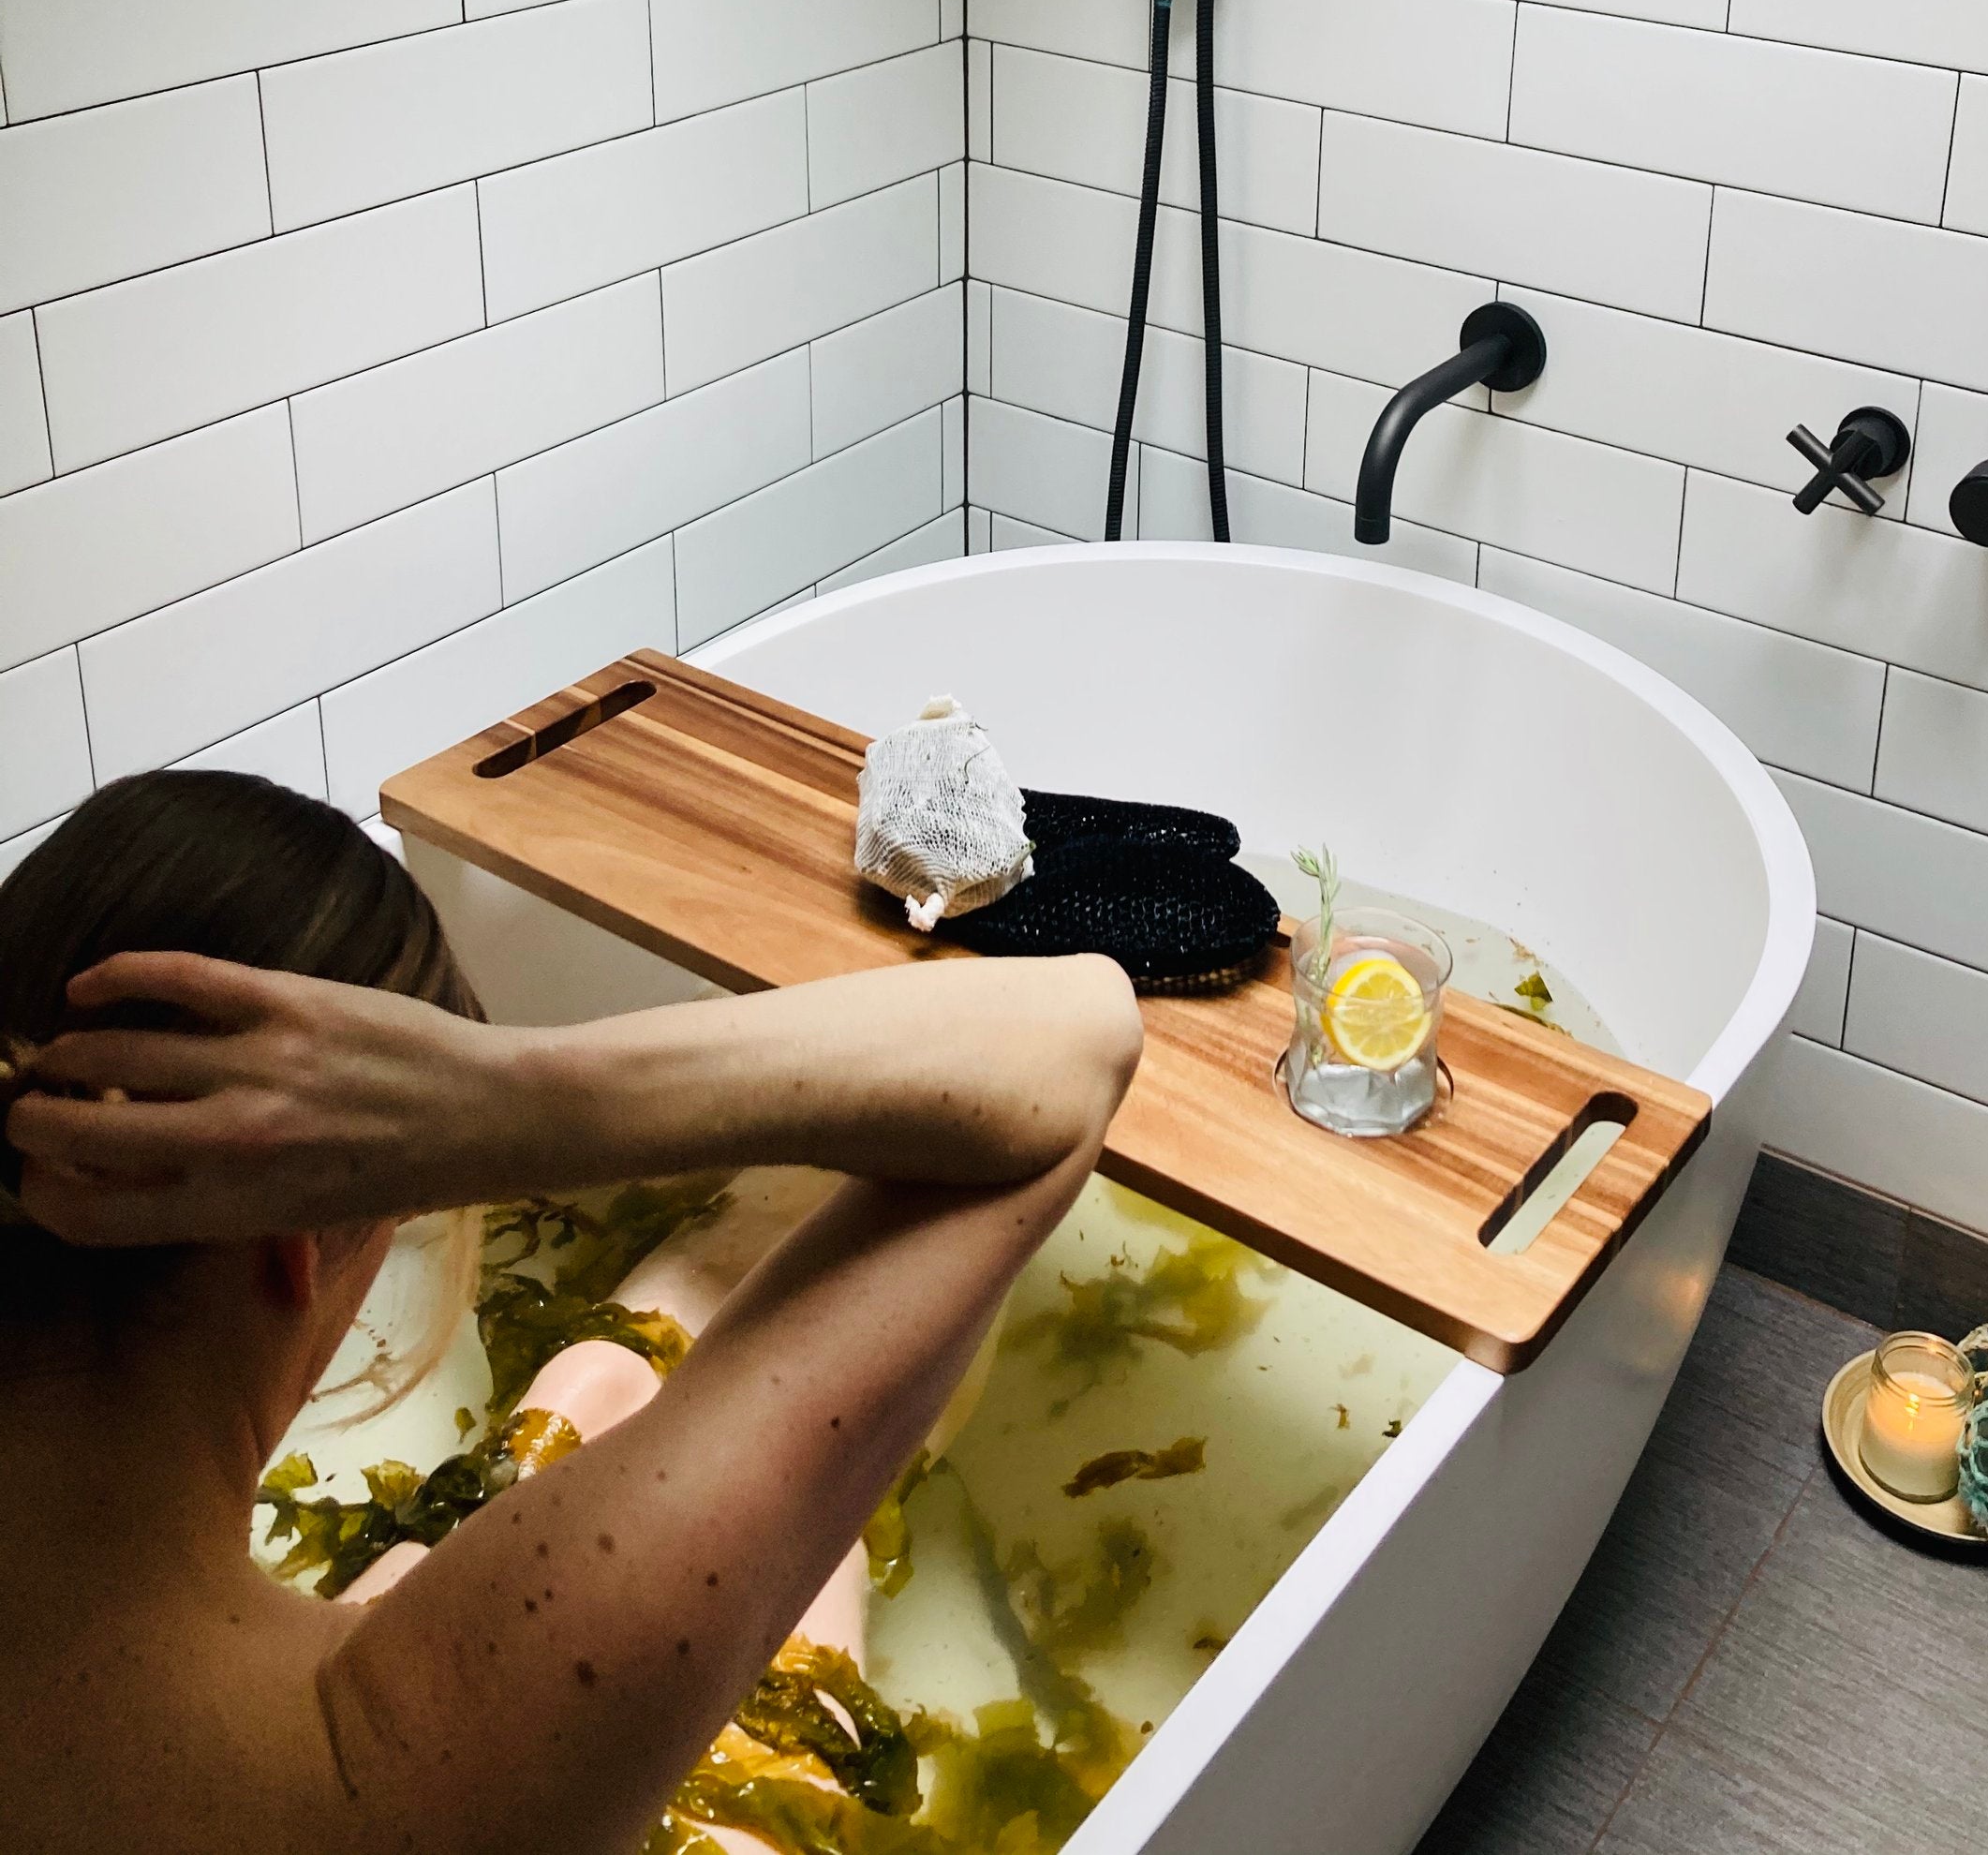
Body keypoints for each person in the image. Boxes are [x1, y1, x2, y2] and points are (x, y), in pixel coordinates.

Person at [0, 767, 1141, 1855]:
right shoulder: (368, 1767)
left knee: (595, 1386)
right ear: (302, 1245)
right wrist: (502, 1098)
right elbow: (1076, 1038)